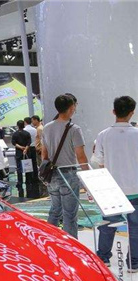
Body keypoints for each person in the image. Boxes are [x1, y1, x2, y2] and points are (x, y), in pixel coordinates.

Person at [93, 96, 138, 271]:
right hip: (135, 187)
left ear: (113, 111)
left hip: (110, 189)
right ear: (132, 112)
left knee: (108, 225)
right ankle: (133, 262)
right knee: (135, 227)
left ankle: (103, 258)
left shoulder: (103, 135)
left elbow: (98, 160)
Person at [42, 94, 89, 238]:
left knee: (55, 210)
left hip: (52, 175)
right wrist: (88, 177)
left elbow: (44, 154)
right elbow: (81, 156)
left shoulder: (47, 127)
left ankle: (49, 240)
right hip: (68, 174)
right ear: (71, 108)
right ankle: (71, 246)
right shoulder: (74, 129)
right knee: (70, 214)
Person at [11, 120, 32, 197]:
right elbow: (29, 142)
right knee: (27, 167)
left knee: (19, 168)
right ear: (23, 125)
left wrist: (20, 147)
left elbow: (14, 143)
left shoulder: (15, 134)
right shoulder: (27, 133)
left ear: (17, 126)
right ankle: (28, 181)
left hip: (19, 153)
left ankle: (20, 182)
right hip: (27, 152)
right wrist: (25, 149)